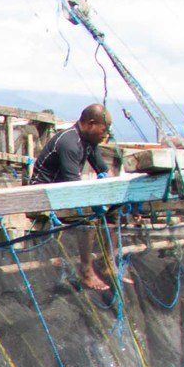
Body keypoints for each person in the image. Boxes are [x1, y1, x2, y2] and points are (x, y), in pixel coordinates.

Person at [30, 104, 114, 294]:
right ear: (91, 124)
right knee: (90, 217)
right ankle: (85, 270)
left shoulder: (89, 142)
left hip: (62, 191)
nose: (106, 134)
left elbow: (103, 171)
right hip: (43, 195)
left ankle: (109, 264)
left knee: (114, 213)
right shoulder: (69, 142)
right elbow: (73, 186)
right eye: (104, 128)